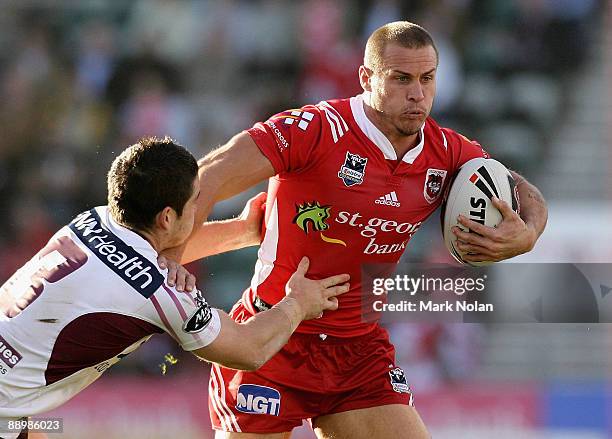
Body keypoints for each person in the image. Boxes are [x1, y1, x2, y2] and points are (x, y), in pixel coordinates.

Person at [175, 22, 548, 438]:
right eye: (401, 79)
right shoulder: (314, 129)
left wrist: (529, 231)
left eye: (427, 79)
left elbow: (516, 185)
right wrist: (171, 257)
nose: (417, 94)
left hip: (357, 349)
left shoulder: (447, 153)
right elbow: (207, 175)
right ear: (366, 78)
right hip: (272, 336)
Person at [0, 137, 350, 439]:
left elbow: (142, 260)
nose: (201, 206)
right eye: (196, 200)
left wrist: (243, 231)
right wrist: (298, 304)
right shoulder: (160, 294)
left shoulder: (93, 219)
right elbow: (248, 350)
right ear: (167, 217)